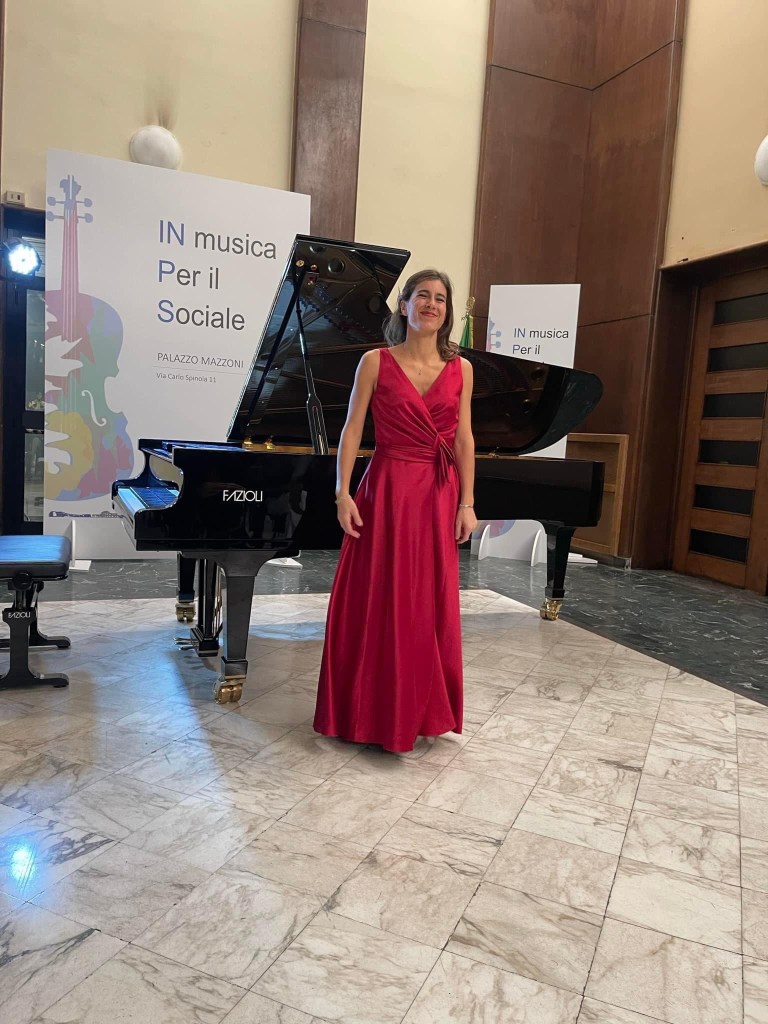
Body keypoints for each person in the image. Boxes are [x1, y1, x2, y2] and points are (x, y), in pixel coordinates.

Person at [313, 269, 477, 753]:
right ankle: (367, 713)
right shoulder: (375, 361)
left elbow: (464, 440)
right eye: (422, 295)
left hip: (438, 494)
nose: (431, 304)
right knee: (378, 597)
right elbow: (351, 430)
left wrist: (467, 503)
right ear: (404, 306)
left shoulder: (462, 369)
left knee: (426, 602)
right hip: (385, 491)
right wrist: (342, 493)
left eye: (440, 299)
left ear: (447, 311)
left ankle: (420, 711)